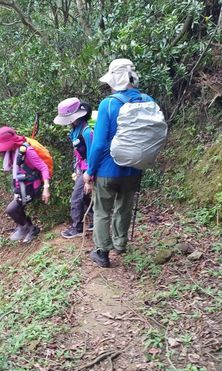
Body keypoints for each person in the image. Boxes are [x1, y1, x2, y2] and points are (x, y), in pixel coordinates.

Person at [83, 59, 147, 268]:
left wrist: (89, 171)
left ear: (115, 80)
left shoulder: (108, 104)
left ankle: (102, 253)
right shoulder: (146, 100)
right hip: (134, 168)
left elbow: (99, 143)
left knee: (102, 211)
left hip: (107, 170)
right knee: (124, 207)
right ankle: (120, 243)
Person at [0, 126, 51, 243]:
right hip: (21, 187)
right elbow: (16, 172)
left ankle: (30, 229)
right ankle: (25, 227)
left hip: (32, 187)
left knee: (12, 209)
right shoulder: (12, 152)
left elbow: (43, 167)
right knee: (17, 208)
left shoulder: (27, 151)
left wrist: (46, 188)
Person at [54, 97, 94, 239]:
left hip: (88, 171)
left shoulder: (86, 132)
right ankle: (94, 220)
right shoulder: (75, 130)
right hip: (81, 169)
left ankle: (77, 227)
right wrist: (76, 170)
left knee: (76, 198)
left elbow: (91, 154)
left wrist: (89, 178)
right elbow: (77, 153)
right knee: (82, 196)